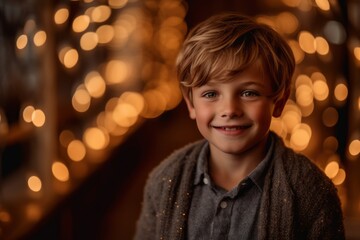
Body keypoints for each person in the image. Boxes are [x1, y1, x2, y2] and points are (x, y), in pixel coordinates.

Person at [134, 13, 345, 240]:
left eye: (248, 93)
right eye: (211, 93)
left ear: (279, 102)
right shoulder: (164, 181)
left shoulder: (311, 193)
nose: (230, 109)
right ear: (191, 104)